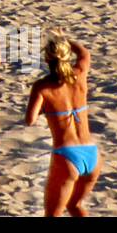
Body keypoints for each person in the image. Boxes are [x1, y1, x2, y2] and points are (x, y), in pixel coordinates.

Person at [24, 31, 100, 216]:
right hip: (92, 153)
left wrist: (47, 109)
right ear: (67, 56)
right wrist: (66, 39)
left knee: (53, 214)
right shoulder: (79, 75)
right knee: (75, 207)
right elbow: (84, 54)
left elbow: (30, 120)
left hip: (67, 156)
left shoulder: (42, 86)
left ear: (47, 59)